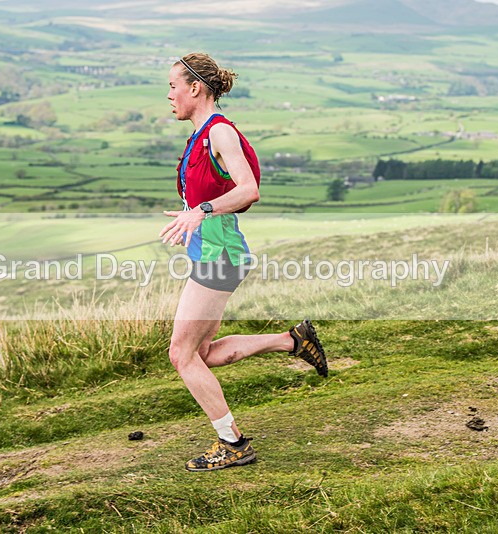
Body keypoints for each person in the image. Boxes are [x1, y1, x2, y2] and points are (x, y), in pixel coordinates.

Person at [159, 53, 329, 472]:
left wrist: (199, 210)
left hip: (221, 257)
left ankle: (232, 443)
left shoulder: (220, 134)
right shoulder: (201, 134)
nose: (169, 95)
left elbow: (249, 190)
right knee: (202, 353)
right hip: (212, 254)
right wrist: (194, 213)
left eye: (173, 86)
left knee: (181, 355)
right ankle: (292, 340)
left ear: (195, 87)